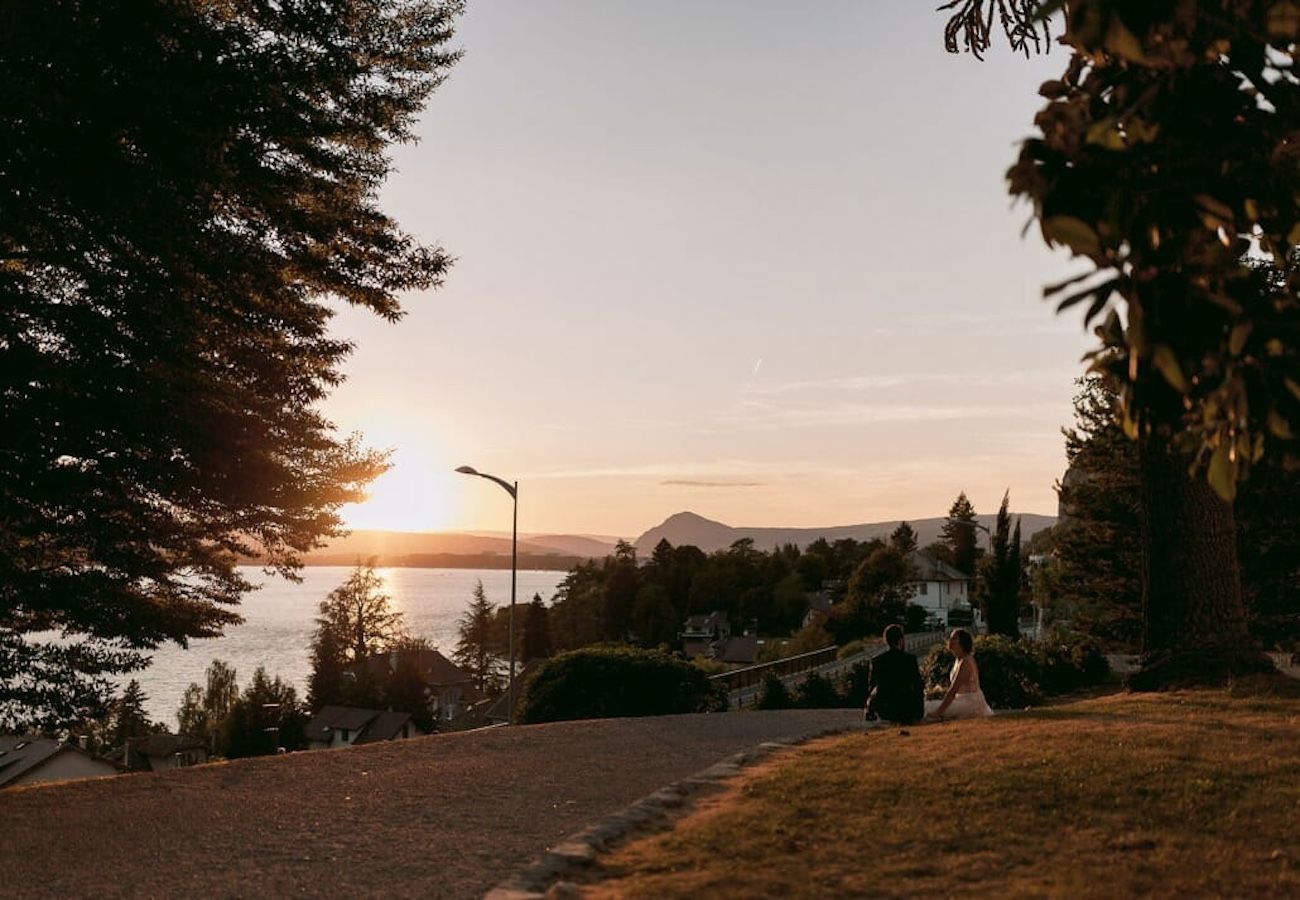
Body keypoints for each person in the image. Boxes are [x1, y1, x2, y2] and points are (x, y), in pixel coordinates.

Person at [925, 628, 994, 720]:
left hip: (969, 703)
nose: (950, 641)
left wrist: (938, 712)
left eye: (954, 638)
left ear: (962, 642)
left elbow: (953, 690)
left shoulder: (966, 661)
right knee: (927, 705)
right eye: (950, 638)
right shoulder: (958, 660)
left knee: (929, 708)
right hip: (960, 700)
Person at [865, 624, 924, 725]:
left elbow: (871, 686)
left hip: (884, 708)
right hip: (906, 708)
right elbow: (918, 685)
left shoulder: (877, 661)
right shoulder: (909, 660)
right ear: (901, 640)